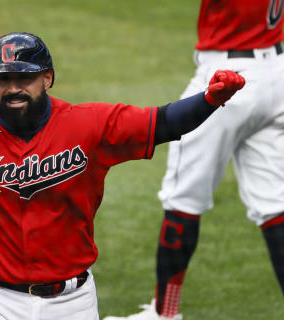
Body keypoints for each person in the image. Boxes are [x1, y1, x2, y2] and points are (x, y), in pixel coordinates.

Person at [0, 32, 244, 319]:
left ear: (47, 78)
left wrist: (210, 100)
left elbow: (163, 124)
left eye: (24, 77)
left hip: (74, 302)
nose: (14, 88)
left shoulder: (88, 124)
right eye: (3, 79)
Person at [103, 1, 284, 319]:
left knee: (182, 198)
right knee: (276, 205)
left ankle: (165, 314)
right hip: (277, 71)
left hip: (229, 75)